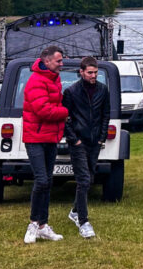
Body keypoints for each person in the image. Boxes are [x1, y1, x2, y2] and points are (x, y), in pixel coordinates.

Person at [22, 45, 69, 243]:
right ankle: (33, 224)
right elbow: (44, 110)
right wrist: (67, 112)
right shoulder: (36, 81)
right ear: (47, 61)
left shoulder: (53, 78)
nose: (61, 64)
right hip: (35, 138)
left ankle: (43, 226)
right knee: (41, 180)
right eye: (58, 61)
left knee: (47, 181)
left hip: (50, 137)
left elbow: (54, 104)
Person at [62, 56, 110, 239]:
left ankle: (75, 210)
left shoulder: (103, 90)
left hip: (94, 141)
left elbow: (106, 114)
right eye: (90, 72)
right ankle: (83, 221)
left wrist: (101, 138)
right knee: (83, 179)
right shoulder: (71, 92)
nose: (93, 75)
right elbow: (65, 118)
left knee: (89, 178)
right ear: (81, 72)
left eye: (96, 72)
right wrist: (74, 140)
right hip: (78, 142)